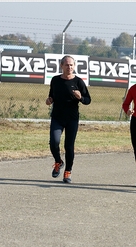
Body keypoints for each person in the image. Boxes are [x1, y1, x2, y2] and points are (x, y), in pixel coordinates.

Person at [45, 55, 91, 183]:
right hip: (57, 117)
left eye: (71, 65)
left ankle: (68, 172)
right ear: (61, 66)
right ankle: (58, 162)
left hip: (71, 119)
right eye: (67, 65)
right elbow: (51, 95)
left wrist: (80, 97)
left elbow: (88, 100)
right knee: (54, 142)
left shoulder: (78, 82)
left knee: (69, 146)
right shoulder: (55, 80)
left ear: (74, 66)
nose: (69, 67)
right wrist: (49, 100)